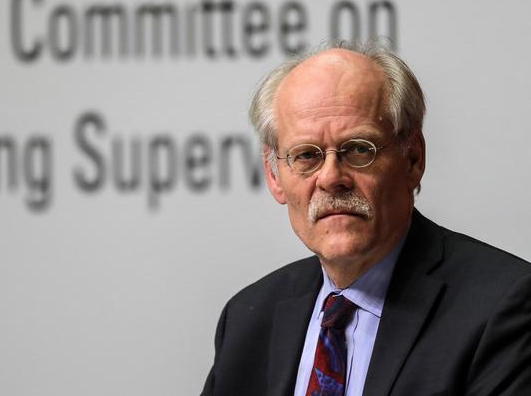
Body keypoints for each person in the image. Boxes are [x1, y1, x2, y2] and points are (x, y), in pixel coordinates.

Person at [200, 42, 531, 396]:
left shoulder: (503, 307)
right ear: (275, 177)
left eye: (359, 149)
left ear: (413, 159)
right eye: (307, 155)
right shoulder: (248, 319)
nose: (330, 177)